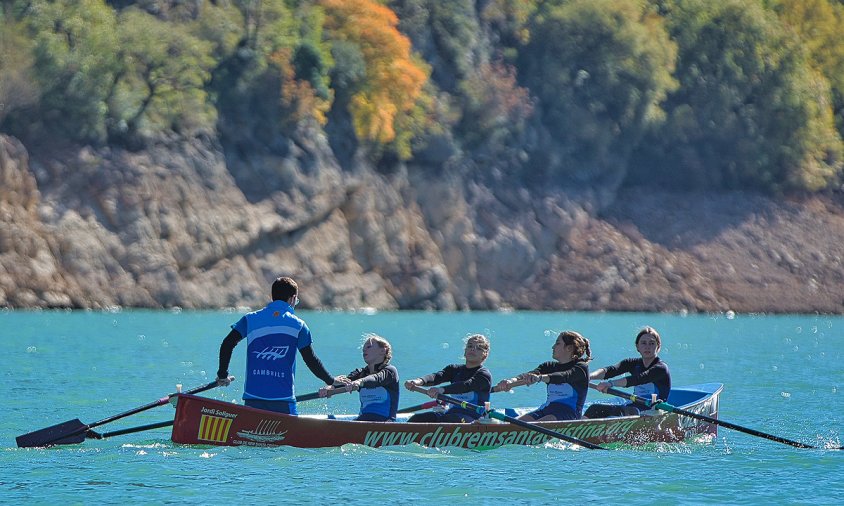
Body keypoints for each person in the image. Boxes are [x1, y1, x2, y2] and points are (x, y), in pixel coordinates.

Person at [216, 276, 335, 415]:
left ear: (273, 297)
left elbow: (227, 344)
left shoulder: (250, 319)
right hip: (283, 401)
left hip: (253, 399)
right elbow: (311, 360)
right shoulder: (299, 326)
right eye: (296, 300)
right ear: (292, 298)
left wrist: (222, 374)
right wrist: (331, 380)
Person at [495, 330, 592, 421]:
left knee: (547, 420)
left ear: (569, 348)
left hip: (569, 414)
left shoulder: (581, 367)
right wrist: (511, 381)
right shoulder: (548, 366)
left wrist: (540, 378)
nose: (553, 347)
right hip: (546, 409)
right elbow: (528, 375)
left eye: (557, 343)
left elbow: (564, 376)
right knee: (516, 423)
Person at [584, 326, 671, 418]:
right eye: (643, 343)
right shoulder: (632, 363)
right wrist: (588, 377)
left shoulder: (661, 368)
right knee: (594, 409)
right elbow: (610, 371)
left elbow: (638, 379)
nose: (647, 347)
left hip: (655, 410)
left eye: (652, 343)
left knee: (631, 411)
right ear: (637, 346)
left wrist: (610, 384)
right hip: (635, 408)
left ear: (658, 346)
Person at [404, 334, 492, 423]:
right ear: (465, 351)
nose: (473, 349)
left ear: (485, 355)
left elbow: (466, 385)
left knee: (447, 420)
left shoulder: (484, 375)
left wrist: (441, 390)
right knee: (417, 419)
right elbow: (437, 377)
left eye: (479, 348)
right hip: (452, 413)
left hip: (474, 417)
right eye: (470, 346)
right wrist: (418, 381)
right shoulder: (453, 369)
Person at [318, 334, 400, 421]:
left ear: (383, 351)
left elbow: (376, 379)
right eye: (363, 348)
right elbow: (343, 382)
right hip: (364, 420)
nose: (364, 349)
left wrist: (359, 382)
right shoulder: (360, 373)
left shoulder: (390, 371)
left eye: (369, 346)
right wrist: (330, 388)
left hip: (385, 424)